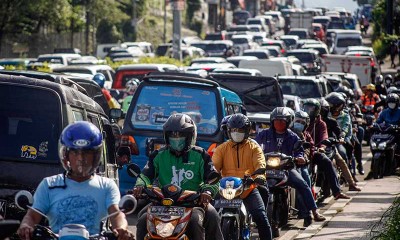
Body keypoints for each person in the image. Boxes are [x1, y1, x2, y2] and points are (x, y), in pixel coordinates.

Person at [17, 121, 135, 239]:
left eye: (87, 152)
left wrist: (122, 229)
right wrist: (26, 225)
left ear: (96, 155)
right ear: (66, 155)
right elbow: (32, 215)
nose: (81, 158)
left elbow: (116, 214)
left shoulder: (106, 185)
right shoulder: (49, 184)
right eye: (75, 152)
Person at [133, 113, 223, 240]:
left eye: (180, 135)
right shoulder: (158, 155)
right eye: (172, 135)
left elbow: (212, 178)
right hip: (161, 203)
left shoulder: (201, 155)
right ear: (166, 137)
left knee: (207, 217)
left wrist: (207, 191)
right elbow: (145, 175)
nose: (176, 138)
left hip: (193, 203)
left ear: (190, 136)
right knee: (143, 220)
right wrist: (140, 186)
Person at [255, 108, 326, 229]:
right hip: (266, 169)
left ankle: (314, 211)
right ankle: (252, 217)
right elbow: (254, 147)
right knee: (250, 186)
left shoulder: (293, 136)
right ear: (272, 122)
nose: (279, 124)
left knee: (303, 184)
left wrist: (299, 158)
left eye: (282, 121)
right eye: (276, 121)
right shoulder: (263, 134)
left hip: (286, 168)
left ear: (288, 122)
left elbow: (299, 151)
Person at [212, 113, 273, 239]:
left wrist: (259, 176)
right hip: (225, 188)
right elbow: (214, 166)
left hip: (248, 187)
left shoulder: (254, 147)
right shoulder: (221, 148)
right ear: (228, 131)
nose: (236, 133)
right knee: (209, 216)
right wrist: (211, 175)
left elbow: (260, 163)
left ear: (246, 131)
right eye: (233, 130)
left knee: (261, 216)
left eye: (239, 130)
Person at [320, 99, 361, 190]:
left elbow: (339, 132)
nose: (319, 113)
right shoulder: (311, 123)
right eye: (317, 110)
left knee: (341, 159)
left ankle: (351, 184)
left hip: (331, 145)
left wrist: (340, 138)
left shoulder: (331, 121)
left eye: (322, 110)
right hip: (317, 146)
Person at [365, 93, 400, 180]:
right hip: (386, 134)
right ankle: (373, 170)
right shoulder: (384, 112)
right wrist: (373, 125)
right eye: (390, 103)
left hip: (397, 134)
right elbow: (378, 121)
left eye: (393, 103)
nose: (391, 105)